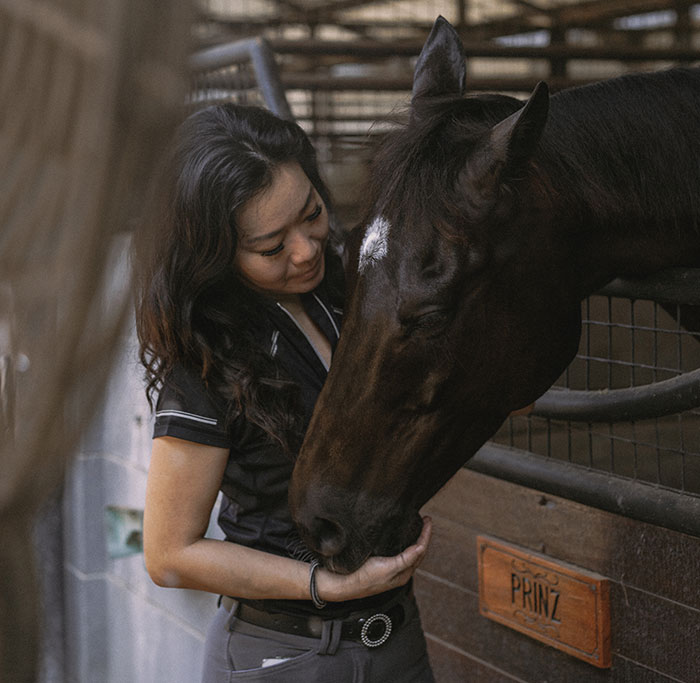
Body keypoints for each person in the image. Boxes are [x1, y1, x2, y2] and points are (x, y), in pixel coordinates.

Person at [135, 102, 434, 682]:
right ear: (214, 255)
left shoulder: (343, 292)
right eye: (272, 247)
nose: (305, 249)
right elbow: (167, 554)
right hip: (288, 655)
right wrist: (327, 585)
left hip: (397, 635)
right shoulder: (207, 360)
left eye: (312, 213)